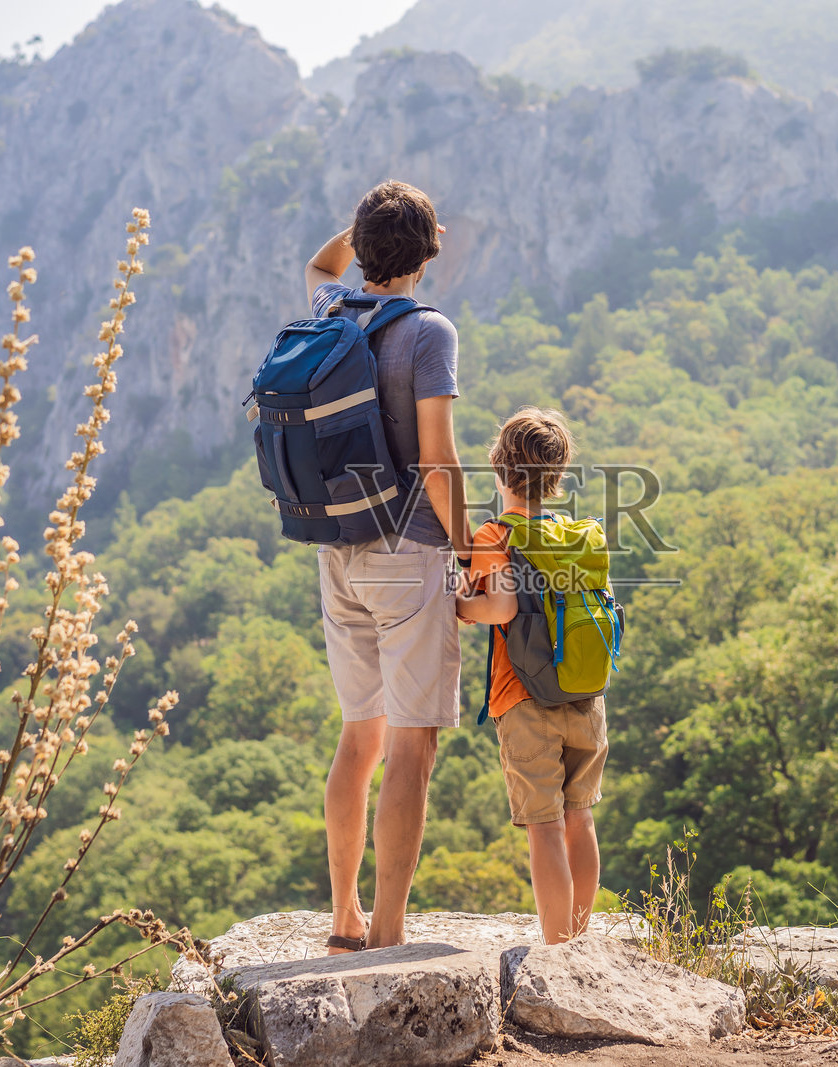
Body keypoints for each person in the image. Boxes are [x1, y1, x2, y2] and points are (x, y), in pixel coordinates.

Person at [305, 181, 472, 954]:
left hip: (337, 550)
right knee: (411, 746)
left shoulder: (330, 312)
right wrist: (466, 544)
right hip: (409, 551)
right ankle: (391, 933)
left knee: (357, 736)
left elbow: (320, 260)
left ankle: (343, 916)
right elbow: (438, 458)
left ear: (368, 248)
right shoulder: (429, 332)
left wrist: (370, 232)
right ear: (431, 250)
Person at [456, 407, 608, 944]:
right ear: (559, 475)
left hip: (522, 697)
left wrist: (459, 604)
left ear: (498, 468)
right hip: (586, 695)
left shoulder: (496, 534)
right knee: (579, 817)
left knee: (543, 826)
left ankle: (556, 947)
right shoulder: (579, 534)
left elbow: (497, 609)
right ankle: (580, 937)